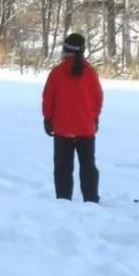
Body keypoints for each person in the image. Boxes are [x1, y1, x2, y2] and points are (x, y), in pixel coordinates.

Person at [42, 33, 104, 203]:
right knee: (88, 166)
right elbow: (98, 99)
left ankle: (63, 200)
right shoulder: (91, 73)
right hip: (86, 129)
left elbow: (48, 98)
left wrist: (48, 119)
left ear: (65, 50)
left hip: (62, 129)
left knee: (63, 168)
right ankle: (91, 200)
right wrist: (94, 118)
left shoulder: (57, 73)